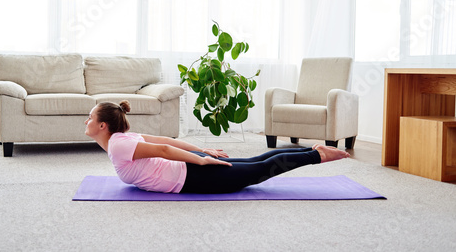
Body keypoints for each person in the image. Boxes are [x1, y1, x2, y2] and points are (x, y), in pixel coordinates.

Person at [85, 100, 350, 194]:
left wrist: (201, 157)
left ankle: (317, 155)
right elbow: (165, 141)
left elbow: (164, 149)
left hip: (189, 175)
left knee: (259, 171)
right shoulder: (122, 140)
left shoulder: (118, 146)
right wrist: (200, 151)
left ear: (102, 126)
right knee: (257, 161)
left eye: (90, 117)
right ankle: (313, 151)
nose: (86, 121)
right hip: (187, 167)